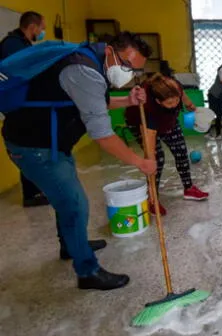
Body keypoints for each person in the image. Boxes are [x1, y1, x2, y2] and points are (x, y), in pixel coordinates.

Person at [2, 31, 157, 290]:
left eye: (135, 71)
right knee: (75, 205)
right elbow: (103, 135)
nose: (129, 74)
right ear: (109, 51)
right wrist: (140, 162)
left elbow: (91, 103)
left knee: (67, 200)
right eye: (127, 65)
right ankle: (88, 271)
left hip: (50, 145)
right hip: (35, 147)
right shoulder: (84, 72)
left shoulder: (88, 61)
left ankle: (71, 245)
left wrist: (127, 100)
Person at [124, 73, 209, 216]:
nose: (174, 104)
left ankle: (189, 189)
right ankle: (152, 198)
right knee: (157, 159)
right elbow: (149, 141)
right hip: (140, 123)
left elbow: (181, 95)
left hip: (168, 121)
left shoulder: (174, 87)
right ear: (158, 101)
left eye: (176, 101)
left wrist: (189, 105)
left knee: (181, 150)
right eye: (169, 103)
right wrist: (150, 161)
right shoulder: (149, 107)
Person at [0, 11, 49, 207]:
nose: (42, 32)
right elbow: (19, 74)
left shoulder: (21, 44)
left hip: (24, 105)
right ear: (33, 27)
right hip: (17, 106)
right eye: (42, 28)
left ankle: (35, 191)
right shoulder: (12, 45)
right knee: (26, 146)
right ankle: (31, 194)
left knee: (31, 146)